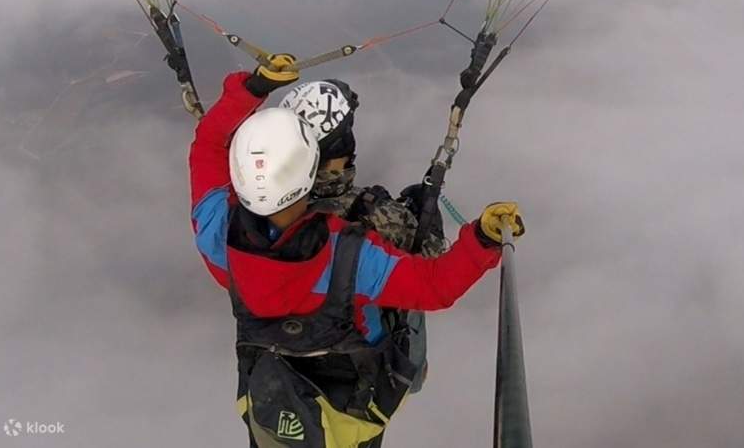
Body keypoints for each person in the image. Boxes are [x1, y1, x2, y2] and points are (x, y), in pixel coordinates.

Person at [189, 55, 524, 447]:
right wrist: (482, 240)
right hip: (350, 414)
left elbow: (207, 146)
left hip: (272, 409)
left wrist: (249, 91)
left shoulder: (216, 235)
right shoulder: (351, 256)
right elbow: (435, 287)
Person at [278, 79, 443, 393]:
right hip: (356, 368)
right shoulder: (380, 219)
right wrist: (430, 224)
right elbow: (431, 272)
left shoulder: (261, 209)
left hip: (283, 362)